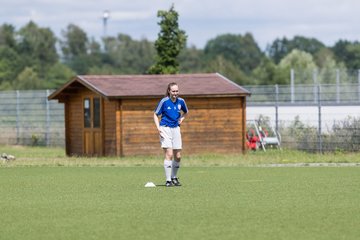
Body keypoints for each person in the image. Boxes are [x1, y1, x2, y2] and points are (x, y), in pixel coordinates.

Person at [153, 82, 188, 187]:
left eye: (177, 91)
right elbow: (155, 114)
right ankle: (168, 180)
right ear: (169, 91)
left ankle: (174, 177)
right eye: (173, 91)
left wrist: (181, 118)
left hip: (176, 129)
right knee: (169, 154)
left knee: (178, 156)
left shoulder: (181, 101)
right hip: (165, 129)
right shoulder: (164, 101)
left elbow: (186, 112)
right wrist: (158, 128)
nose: (175, 93)